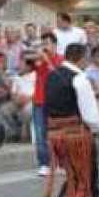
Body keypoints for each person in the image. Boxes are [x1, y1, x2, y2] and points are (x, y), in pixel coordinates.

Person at [44, 43, 99, 197]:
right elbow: (90, 115)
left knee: (76, 176)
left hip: (57, 135)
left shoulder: (52, 76)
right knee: (90, 180)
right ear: (81, 58)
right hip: (77, 135)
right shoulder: (80, 79)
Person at [31, 32, 62, 177]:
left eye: (47, 43)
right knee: (40, 133)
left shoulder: (60, 59)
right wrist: (40, 57)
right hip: (39, 100)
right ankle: (44, 163)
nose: (45, 47)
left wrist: (46, 59)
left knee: (56, 133)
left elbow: (57, 75)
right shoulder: (39, 60)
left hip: (54, 101)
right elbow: (28, 65)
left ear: (55, 45)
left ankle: (59, 162)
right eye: (43, 44)